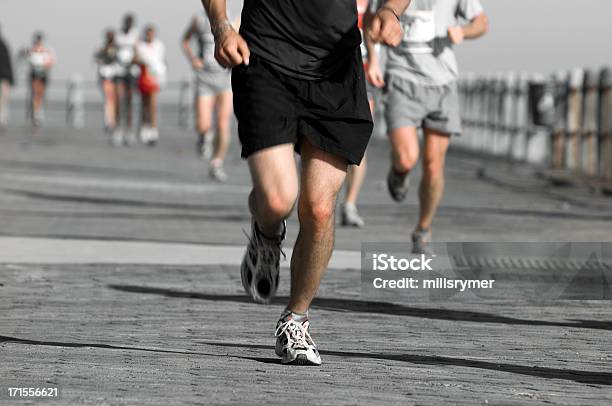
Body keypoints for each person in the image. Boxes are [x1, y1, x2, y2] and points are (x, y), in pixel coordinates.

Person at [200, 0, 409, 366]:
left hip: (336, 72)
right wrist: (221, 25)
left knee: (319, 207)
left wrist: (391, 12)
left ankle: (295, 320)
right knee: (278, 198)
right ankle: (267, 233)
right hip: (264, 58)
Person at [367, 0, 488, 253]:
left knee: (434, 165)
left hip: (443, 83)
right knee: (407, 157)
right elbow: (371, 21)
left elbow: (482, 23)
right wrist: (374, 61)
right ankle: (399, 173)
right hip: (402, 79)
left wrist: (463, 32)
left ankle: (423, 229)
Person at [182, 0, 242, 182]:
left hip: (224, 79)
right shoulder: (199, 19)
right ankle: (203, 137)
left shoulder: (235, 19)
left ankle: (217, 163)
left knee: (223, 124)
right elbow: (185, 41)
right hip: (204, 79)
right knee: (204, 124)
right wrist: (193, 59)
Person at [339, 0, 378, 228]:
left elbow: (379, 26)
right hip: (328, 71)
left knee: (359, 142)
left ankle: (350, 204)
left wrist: (374, 60)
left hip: (363, 73)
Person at [135, 25, 167, 146]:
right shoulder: (140, 45)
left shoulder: (159, 45)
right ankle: (144, 127)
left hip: (155, 77)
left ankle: (153, 129)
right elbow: (135, 59)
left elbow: (161, 60)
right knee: (144, 104)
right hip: (143, 75)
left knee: (153, 104)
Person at [114, 14, 139, 146]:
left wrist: (132, 61)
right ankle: (117, 129)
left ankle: (128, 130)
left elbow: (137, 50)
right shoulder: (118, 34)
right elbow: (114, 49)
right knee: (118, 100)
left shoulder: (135, 34)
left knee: (129, 102)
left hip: (131, 70)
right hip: (119, 69)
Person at [25, 32, 55, 127]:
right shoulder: (31, 50)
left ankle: (38, 113)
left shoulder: (47, 50)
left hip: (43, 75)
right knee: (35, 93)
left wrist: (44, 64)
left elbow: (51, 61)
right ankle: (36, 114)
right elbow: (28, 60)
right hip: (34, 75)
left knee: (40, 94)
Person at [95, 29, 119, 136]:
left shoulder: (117, 48)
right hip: (105, 76)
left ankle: (113, 120)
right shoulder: (102, 49)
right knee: (109, 99)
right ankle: (109, 121)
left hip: (116, 76)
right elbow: (97, 59)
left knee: (114, 99)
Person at [0, 25, 14, 128]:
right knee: (3, 99)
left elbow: (8, 64)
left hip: (4, 77)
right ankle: (2, 119)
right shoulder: (4, 45)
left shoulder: (3, 45)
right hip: (5, 77)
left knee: (3, 99)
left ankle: (2, 119)